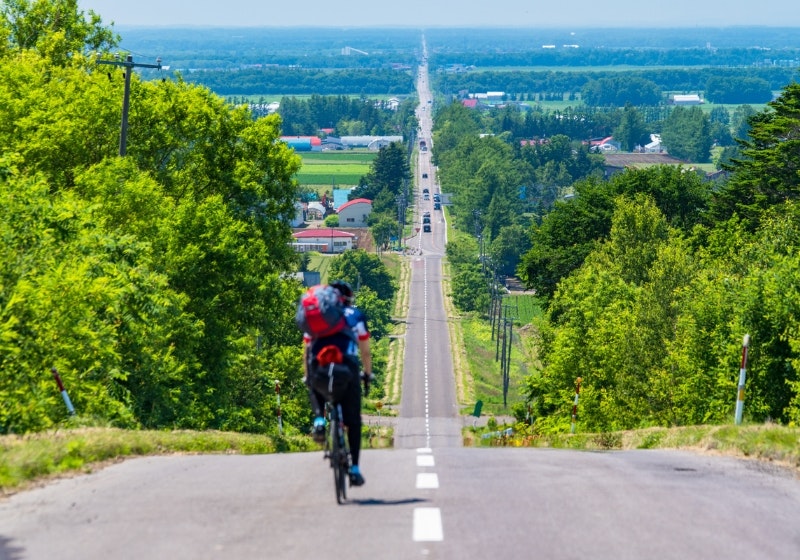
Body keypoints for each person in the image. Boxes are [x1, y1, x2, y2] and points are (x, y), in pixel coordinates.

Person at [303, 280, 373, 487]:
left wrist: (308, 376)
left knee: (315, 384)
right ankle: (355, 469)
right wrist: (367, 374)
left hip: (319, 364)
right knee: (354, 421)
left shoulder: (317, 315)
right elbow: (365, 351)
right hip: (347, 368)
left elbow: (307, 349)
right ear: (348, 299)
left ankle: (318, 421)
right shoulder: (355, 316)